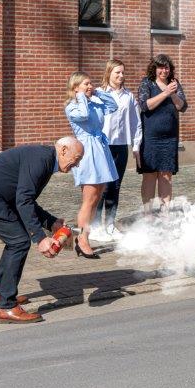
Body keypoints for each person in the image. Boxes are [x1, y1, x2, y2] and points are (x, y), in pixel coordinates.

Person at [0, 138, 84, 323]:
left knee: (16, 241)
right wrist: (40, 239)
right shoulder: (42, 159)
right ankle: (6, 307)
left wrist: (51, 222)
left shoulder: (45, 159)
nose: (77, 164)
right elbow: (23, 200)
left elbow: (24, 199)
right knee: (19, 241)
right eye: (77, 158)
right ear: (63, 150)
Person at [65, 72, 119, 258]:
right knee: (88, 200)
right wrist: (80, 96)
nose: (90, 86)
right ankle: (82, 239)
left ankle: (85, 235)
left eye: (90, 84)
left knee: (97, 198)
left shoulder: (94, 101)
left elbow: (113, 106)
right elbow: (84, 114)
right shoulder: (73, 107)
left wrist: (98, 92)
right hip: (87, 152)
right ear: (75, 88)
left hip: (101, 149)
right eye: (86, 84)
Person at [96, 59, 141, 242]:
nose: (121, 76)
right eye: (117, 73)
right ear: (109, 73)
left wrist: (136, 146)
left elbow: (136, 123)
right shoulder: (98, 94)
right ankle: (97, 226)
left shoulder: (128, 96)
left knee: (115, 186)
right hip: (103, 146)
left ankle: (110, 225)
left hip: (120, 147)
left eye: (123, 72)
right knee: (101, 187)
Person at [137, 54, 186, 212]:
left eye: (167, 67)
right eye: (160, 67)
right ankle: (148, 214)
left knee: (166, 176)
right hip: (150, 138)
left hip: (169, 138)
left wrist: (172, 93)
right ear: (155, 68)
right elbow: (145, 106)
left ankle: (165, 213)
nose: (164, 70)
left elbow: (182, 106)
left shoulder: (174, 84)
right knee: (150, 176)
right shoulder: (147, 83)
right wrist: (165, 93)